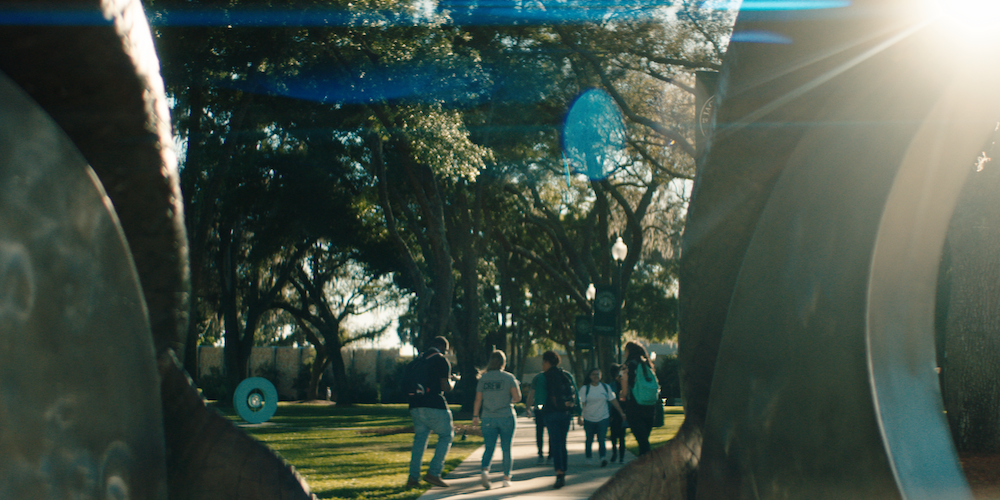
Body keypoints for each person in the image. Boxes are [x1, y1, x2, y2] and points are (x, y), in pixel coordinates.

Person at [407, 336, 455, 488]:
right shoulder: (441, 361)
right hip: (434, 405)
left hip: (415, 405)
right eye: (446, 350)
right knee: (446, 435)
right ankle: (434, 473)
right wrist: (453, 381)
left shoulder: (417, 361)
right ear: (442, 347)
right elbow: (445, 387)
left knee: (420, 440)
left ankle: (413, 478)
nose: (446, 353)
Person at [472, 350, 522, 489]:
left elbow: (478, 399)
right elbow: (517, 397)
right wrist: (509, 399)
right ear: (503, 362)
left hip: (488, 417)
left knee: (489, 447)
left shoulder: (484, 378)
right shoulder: (509, 377)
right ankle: (506, 478)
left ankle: (484, 470)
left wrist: (475, 416)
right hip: (506, 416)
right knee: (506, 449)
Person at [540, 350, 579, 489]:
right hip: (565, 413)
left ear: (547, 362)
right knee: (562, 442)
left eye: (543, 362)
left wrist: (540, 410)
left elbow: (540, 397)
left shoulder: (544, 377)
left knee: (555, 443)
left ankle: (559, 472)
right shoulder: (565, 375)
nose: (542, 365)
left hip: (551, 414)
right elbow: (574, 393)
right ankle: (564, 470)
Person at [577, 368, 626, 467]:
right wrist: (580, 416)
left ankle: (602, 458)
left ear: (601, 376)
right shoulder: (585, 389)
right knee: (589, 439)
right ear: (590, 376)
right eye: (593, 374)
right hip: (588, 418)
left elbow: (613, 400)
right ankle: (589, 458)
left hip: (603, 417)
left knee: (601, 439)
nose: (596, 376)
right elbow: (581, 404)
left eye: (598, 374)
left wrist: (621, 412)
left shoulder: (605, 387)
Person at [620, 341, 656, 456]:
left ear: (629, 351)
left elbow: (625, 391)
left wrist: (622, 394)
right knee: (644, 440)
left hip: (635, 406)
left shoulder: (627, 366)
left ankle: (648, 466)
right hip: (650, 406)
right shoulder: (647, 364)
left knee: (643, 443)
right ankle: (645, 466)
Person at [527, 371, 550, 465]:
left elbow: (532, 393)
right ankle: (551, 455)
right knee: (551, 432)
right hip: (552, 408)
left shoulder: (538, 377)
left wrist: (528, 407)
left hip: (539, 409)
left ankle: (540, 454)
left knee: (539, 432)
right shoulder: (556, 375)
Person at [607, 363, 627, 463]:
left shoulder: (625, 385)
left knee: (622, 436)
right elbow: (609, 401)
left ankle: (621, 457)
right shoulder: (612, 386)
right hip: (614, 413)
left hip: (623, 412)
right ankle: (615, 453)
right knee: (614, 435)